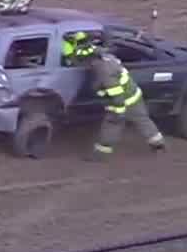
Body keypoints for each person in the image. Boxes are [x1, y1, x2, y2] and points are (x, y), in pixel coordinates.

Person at [62, 31, 166, 159]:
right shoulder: (102, 55)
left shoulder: (103, 69)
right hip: (133, 94)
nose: (84, 64)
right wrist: (70, 41)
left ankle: (101, 154)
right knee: (142, 119)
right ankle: (158, 144)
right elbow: (76, 55)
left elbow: (115, 92)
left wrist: (118, 110)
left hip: (121, 100)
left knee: (112, 124)